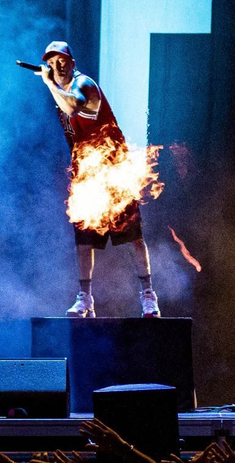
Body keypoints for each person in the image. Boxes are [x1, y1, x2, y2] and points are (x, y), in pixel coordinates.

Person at [39, 41, 159, 318]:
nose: (58, 65)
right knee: (83, 239)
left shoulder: (84, 85)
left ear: (72, 61)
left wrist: (49, 84)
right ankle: (85, 299)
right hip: (86, 174)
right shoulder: (61, 90)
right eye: (52, 61)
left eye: (62, 60)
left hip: (113, 171)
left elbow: (72, 108)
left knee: (132, 237)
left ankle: (148, 296)